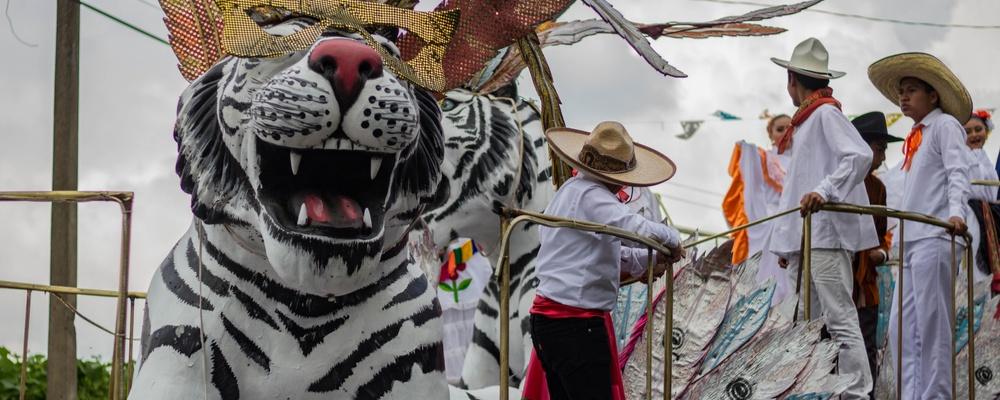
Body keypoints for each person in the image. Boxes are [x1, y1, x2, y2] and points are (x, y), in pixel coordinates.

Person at [525, 121, 683, 400]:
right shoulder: (592, 195)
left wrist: (651, 257)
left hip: (552, 322)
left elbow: (605, 252)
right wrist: (672, 240)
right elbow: (633, 228)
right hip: (574, 325)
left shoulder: (572, 191)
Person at [768, 37, 877, 399]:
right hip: (809, 236)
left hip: (826, 235)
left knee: (839, 317)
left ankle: (855, 392)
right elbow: (797, 186)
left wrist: (825, 191)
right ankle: (808, 387)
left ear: (792, 80)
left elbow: (859, 155)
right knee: (805, 320)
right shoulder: (808, 121)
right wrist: (789, 239)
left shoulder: (826, 114)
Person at [868, 52, 973, 399]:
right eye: (902, 91)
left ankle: (937, 395)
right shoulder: (916, 136)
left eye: (912, 90)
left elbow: (959, 172)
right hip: (913, 238)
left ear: (933, 96)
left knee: (932, 326)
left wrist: (956, 212)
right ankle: (912, 395)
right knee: (902, 328)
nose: (903, 97)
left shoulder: (945, 126)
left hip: (937, 234)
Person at [850, 111, 902, 395]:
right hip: (839, 279)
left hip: (866, 283)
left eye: (884, 150)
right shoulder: (840, 179)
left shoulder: (878, 188)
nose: (882, 157)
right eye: (879, 148)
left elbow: (882, 238)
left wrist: (880, 255)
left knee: (866, 345)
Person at [966, 109, 998, 200]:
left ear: (986, 130)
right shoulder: (960, 157)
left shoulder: (984, 156)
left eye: (978, 129)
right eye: (968, 132)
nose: (974, 134)